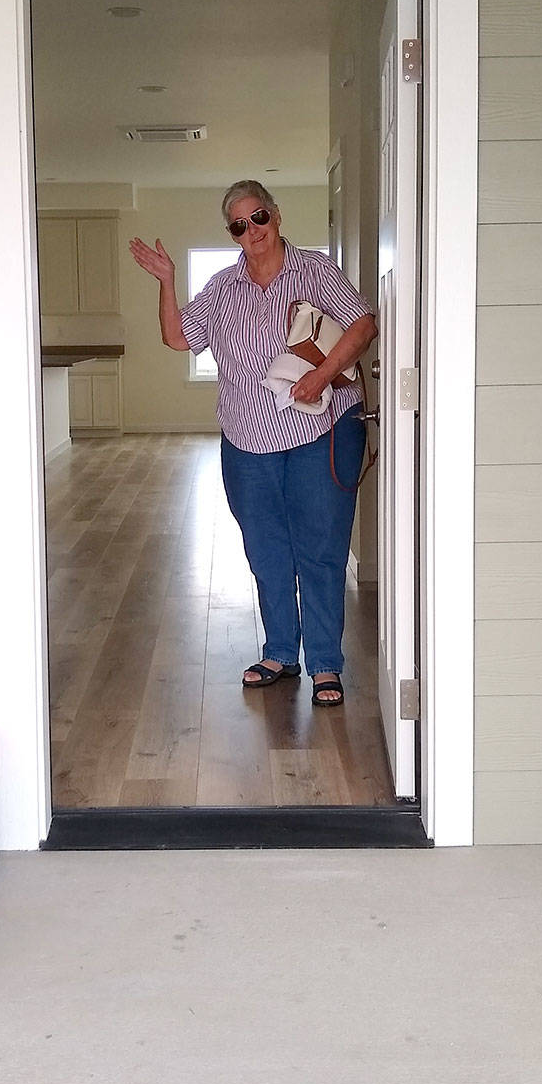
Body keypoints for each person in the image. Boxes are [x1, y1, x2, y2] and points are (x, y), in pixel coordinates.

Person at [129, 180, 378, 708]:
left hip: (321, 431)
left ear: (277, 215)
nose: (252, 231)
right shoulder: (222, 289)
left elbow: (363, 326)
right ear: (233, 234)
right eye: (239, 225)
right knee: (266, 553)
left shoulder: (314, 271)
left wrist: (324, 373)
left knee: (320, 551)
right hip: (246, 440)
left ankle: (326, 665)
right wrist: (168, 281)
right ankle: (282, 653)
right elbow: (178, 338)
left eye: (258, 217)